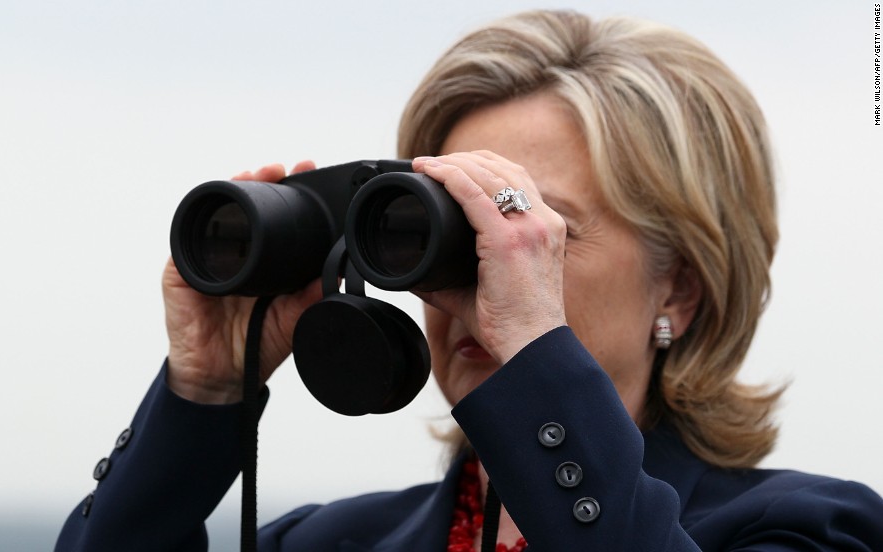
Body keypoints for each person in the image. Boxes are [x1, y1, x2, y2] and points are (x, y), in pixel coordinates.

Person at [56, 9, 883, 551]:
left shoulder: (812, 531)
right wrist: (202, 393)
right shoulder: (326, 544)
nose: (486, 270)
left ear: (681, 290)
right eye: (454, 227)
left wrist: (532, 349)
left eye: (533, 230)